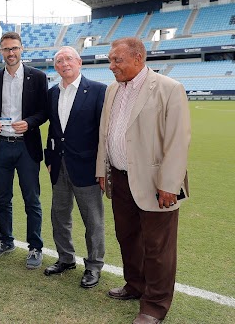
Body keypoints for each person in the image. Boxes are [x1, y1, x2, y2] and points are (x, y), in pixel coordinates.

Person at [96, 37, 190, 324]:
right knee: (127, 238)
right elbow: (105, 133)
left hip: (156, 183)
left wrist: (169, 185)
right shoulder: (113, 89)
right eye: (111, 60)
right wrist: (103, 168)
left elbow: (178, 140)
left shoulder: (168, 88)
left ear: (138, 58)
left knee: (158, 247)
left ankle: (155, 305)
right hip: (120, 179)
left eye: (117, 60)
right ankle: (135, 285)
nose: (111, 66)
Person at [43, 46, 106, 288]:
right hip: (59, 165)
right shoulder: (52, 93)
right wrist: (49, 158)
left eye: (68, 58)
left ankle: (94, 265)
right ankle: (65, 258)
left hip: (87, 167)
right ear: (56, 67)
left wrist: (101, 167)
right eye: (59, 60)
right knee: (59, 215)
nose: (64, 63)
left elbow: (103, 132)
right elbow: (53, 130)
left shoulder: (98, 90)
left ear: (79, 62)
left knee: (93, 219)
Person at [0, 32, 48, 269]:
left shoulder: (38, 77)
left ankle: (35, 247)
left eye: (14, 49)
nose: (10, 53)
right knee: (3, 198)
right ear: (1, 51)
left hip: (26, 146)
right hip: (1, 144)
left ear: (22, 49)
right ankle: (6, 240)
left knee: (31, 199)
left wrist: (30, 123)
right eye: (6, 49)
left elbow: (44, 112)